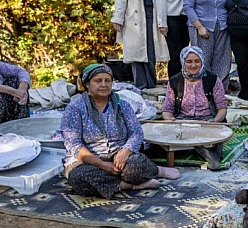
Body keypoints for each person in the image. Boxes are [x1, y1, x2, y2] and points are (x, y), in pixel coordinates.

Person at [60, 64, 180, 199]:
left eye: (108, 80)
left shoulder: (122, 104)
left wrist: (125, 151)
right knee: (78, 177)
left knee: (136, 165)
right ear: (87, 84)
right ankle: (130, 185)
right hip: (89, 160)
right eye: (98, 81)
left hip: (119, 155)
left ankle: (157, 170)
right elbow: (74, 145)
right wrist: (103, 165)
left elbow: (136, 132)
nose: (104, 85)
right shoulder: (75, 108)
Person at [162, 46, 228, 170]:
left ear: (202, 61)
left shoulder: (212, 79)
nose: (193, 65)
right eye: (189, 61)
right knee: (164, 134)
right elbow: (167, 110)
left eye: (197, 61)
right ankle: (199, 147)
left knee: (216, 135)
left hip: (207, 121)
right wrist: (170, 119)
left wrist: (214, 121)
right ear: (183, 62)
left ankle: (211, 154)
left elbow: (222, 109)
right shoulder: (175, 81)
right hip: (183, 121)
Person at [183, 0, 232, 85]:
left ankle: (219, 87)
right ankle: (203, 86)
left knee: (222, 58)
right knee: (203, 58)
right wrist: (199, 27)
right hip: (202, 26)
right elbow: (188, 7)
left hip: (221, 26)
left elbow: (228, 3)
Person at [0, 35, 30, 137]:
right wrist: (11, 91)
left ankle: (20, 126)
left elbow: (21, 71)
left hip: (0, 109)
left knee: (17, 81)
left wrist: (22, 89)